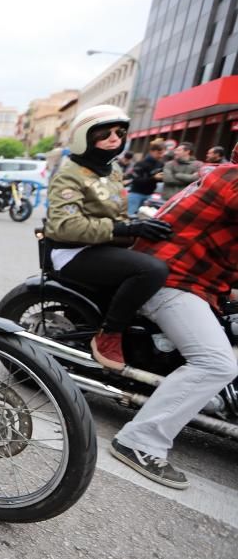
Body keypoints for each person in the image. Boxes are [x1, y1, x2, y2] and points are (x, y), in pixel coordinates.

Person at [109, 161, 238, 489]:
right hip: (172, 278)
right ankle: (140, 441)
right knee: (216, 364)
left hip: (198, 279)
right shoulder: (231, 178)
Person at [44, 105, 172, 371]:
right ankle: (109, 335)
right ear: (85, 138)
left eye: (120, 132)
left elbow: (118, 213)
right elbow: (64, 226)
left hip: (104, 245)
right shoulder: (69, 173)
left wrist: (138, 224)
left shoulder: (111, 170)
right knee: (151, 270)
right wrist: (125, 230)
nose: (115, 139)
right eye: (104, 134)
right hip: (73, 252)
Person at [126, 139, 165, 217]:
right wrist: (153, 178)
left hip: (150, 194)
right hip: (136, 193)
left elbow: (159, 179)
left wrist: (161, 178)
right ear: (152, 151)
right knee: (130, 215)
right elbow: (136, 180)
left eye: (162, 153)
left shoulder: (160, 164)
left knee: (144, 217)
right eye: (159, 153)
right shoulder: (140, 163)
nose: (161, 155)